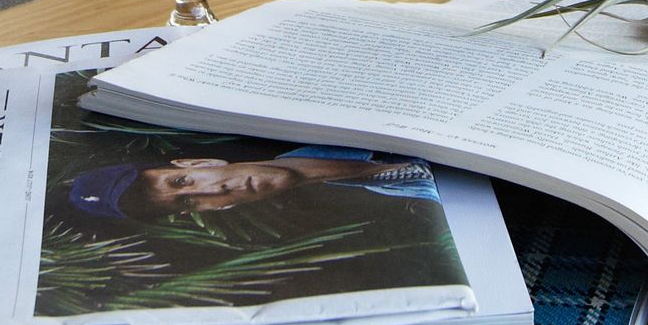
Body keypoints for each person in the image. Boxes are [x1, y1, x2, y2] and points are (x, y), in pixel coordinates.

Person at [61, 146, 438, 227]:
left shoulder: (332, 127)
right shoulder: (381, 218)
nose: (215, 194)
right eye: (186, 202)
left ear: (198, 162)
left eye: (183, 181)